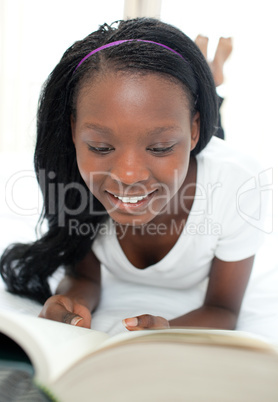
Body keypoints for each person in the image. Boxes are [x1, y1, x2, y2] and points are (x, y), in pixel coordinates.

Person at [0, 18, 264, 332]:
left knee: (217, 128)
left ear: (192, 132)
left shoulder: (238, 184)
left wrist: (168, 332)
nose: (128, 175)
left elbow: (223, 309)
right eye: (100, 146)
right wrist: (72, 300)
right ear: (74, 130)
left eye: (161, 147)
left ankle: (214, 76)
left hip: (206, 145)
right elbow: (84, 276)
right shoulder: (73, 177)